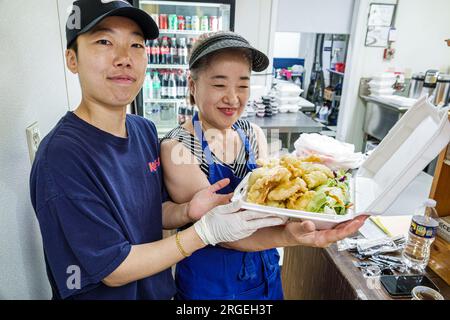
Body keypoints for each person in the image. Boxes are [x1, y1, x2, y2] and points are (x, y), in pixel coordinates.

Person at [29, 0, 284, 300]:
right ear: (72, 59)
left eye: (136, 45)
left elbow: (155, 213)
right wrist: (204, 232)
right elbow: (114, 268)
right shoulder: (61, 158)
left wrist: (187, 211)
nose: (124, 58)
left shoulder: (143, 130)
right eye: (104, 41)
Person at [161, 31, 368, 300]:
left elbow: (275, 202)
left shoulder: (252, 133)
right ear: (192, 84)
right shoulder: (179, 147)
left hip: (265, 273)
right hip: (211, 286)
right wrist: (291, 237)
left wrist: (319, 191)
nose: (233, 98)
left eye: (243, 85)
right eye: (219, 84)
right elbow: (224, 234)